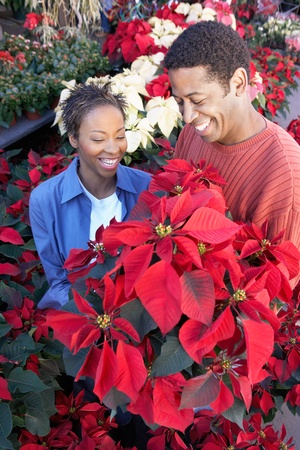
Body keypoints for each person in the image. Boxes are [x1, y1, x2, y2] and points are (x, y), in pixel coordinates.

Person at [164, 20, 300, 285]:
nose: (188, 117)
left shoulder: (285, 173)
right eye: (180, 102)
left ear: (238, 83)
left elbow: (275, 293)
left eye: (198, 101)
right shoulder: (192, 133)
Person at [29, 81, 152, 309]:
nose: (113, 149)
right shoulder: (45, 200)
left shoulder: (147, 187)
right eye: (98, 139)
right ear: (74, 139)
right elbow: (59, 283)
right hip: (85, 319)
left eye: (120, 136)